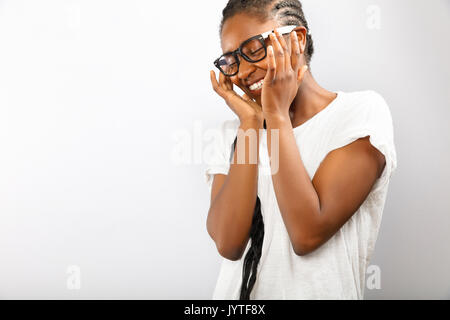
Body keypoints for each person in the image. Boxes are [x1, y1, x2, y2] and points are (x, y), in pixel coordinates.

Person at [205, 0, 397, 300]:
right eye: (231, 60)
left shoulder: (359, 114)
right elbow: (229, 244)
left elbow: (306, 233)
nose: (241, 71)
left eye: (254, 48)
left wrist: (277, 115)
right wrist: (253, 123)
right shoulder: (236, 132)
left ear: (297, 39)